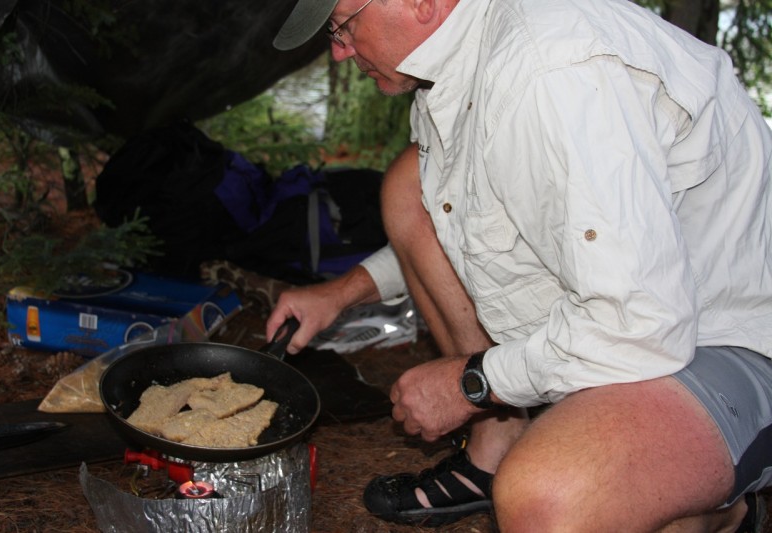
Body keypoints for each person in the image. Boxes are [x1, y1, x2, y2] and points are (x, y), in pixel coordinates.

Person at [268, 0, 772, 530]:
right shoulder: (458, 65)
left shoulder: (550, 72)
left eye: (342, 25)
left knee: (548, 500)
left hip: (723, 338)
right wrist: (340, 294)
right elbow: (464, 221)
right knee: (409, 187)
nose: (339, 50)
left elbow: (642, 324)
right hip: (637, 319)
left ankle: (724, 512)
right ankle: (500, 445)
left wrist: (471, 385)